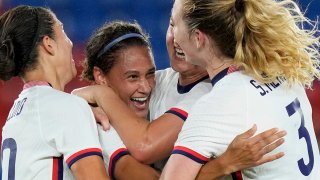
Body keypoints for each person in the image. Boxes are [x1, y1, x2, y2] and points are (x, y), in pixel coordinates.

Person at [74, 20, 286, 179]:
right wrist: (80, 100)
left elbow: (144, 145)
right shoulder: (161, 81)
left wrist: (99, 94)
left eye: (192, 32)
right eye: (173, 25)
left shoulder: (215, 94)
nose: (145, 86)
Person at [159, 0, 320, 179]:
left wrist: (224, 164)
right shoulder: (279, 66)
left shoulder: (219, 103)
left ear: (198, 38)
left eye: (174, 24)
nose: (172, 34)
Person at [0, 5, 109, 179]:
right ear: (48, 44)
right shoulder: (66, 106)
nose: (70, 42)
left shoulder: (16, 114)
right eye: (63, 30)